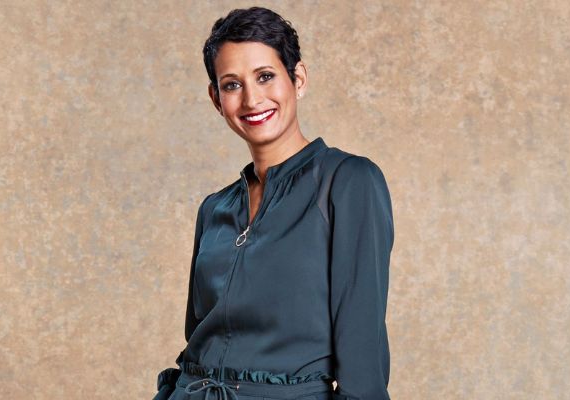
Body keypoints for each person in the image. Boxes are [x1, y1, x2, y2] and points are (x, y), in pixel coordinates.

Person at [153, 6, 394, 400]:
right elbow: (198, 336)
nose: (251, 99)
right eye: (232, 85)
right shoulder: (214, 208)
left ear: (297, 79)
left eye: (265, 76)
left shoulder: (347, 183)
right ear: (216, 99)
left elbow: (362, 355)